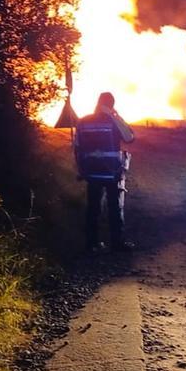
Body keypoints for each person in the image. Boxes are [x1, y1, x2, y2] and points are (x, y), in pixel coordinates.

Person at [73, 92, 136, 252]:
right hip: (111, 171)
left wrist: (81, 169)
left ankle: (91, 244)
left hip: (92, 172)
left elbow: (77, 147)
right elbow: (129, 137)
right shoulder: (113, 120)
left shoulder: (83, 121)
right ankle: (116, 243)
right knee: (114, 207)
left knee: (93, 208)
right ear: (111, 105)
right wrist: (116, 116)